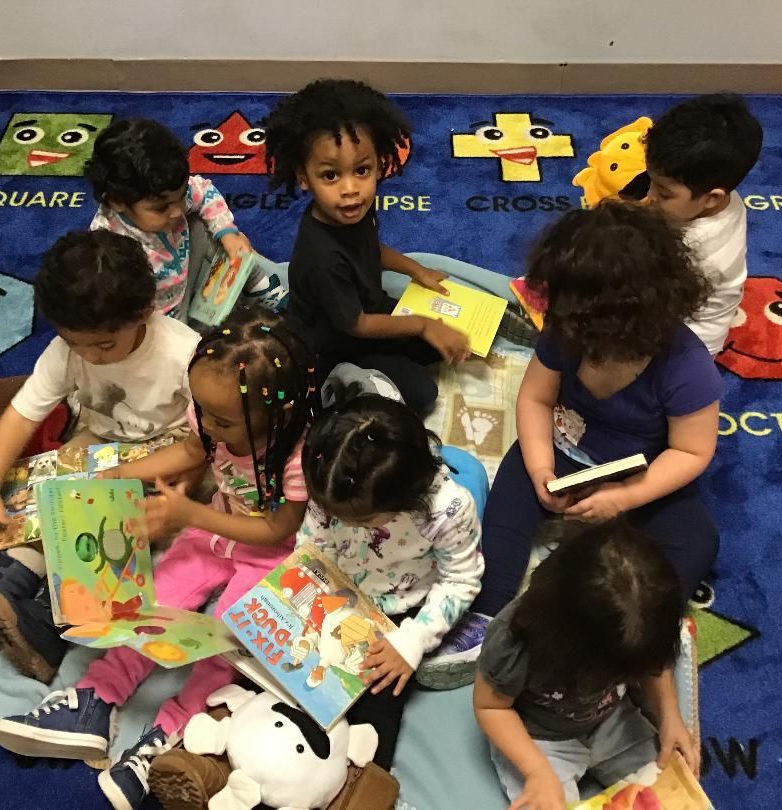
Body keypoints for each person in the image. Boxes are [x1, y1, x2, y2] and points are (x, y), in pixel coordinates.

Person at [0, 309, 319, 810]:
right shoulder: (212, 416)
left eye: (223, 421)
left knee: (231, 641)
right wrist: (123, 473)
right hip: (215, 528)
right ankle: (94, 700)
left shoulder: (297, 457)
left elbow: (278, 529)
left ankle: (171, 736)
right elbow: (192, 450)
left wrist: (191, 515)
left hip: (273, 555)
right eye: (203, 411)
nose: (209, 425)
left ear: (279, 414)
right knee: (149, 605)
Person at [432, 202, 723, 683]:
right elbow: (535, 399)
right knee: (507, 508)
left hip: (641, 474)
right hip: (563, 453)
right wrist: (540, 469)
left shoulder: (686, 367)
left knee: (697, 540)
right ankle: (486, 614)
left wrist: (624, 497)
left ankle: (632, 634)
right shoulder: (566, 331)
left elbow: (692, 452)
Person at [0, 229, 200, 683]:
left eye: (104, 345)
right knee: (47, 495)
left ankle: (49, 624)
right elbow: (22, 414)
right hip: (103, 440)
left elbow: (205, 444)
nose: (90, 357)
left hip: (172, 451)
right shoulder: (68, 350)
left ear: (145, 312)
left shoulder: (183, 353)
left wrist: (136, 477)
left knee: (106, 521)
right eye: (75, 342)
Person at [294, 394, 484, 769]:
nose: (344, 524)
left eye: (362, 521)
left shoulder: (446, 510)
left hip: (403, 607)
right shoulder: (329, 479)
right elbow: (312, 545)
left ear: (407, 498)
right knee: (282, 679)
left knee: (376, 707)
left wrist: (413, 640)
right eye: (332, 513)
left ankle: (362, 784)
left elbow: (461, 579)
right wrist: (306, 591)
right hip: (336, 592)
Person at [264, 78, 470, 414]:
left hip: (370, 309)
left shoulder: (353, 210)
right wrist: (421, 324)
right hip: (336, 346)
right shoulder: (321, 257)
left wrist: (417, 271)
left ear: (379, 164)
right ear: (303, 177)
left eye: (362, 170)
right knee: (422, 393)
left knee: (445, 338)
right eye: (330, 175)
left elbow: (370, 248)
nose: (350, 189)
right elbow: (357, 325)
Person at [474, 520, 698, 809]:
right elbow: (490, 707)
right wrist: (537, 772)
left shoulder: (646, 627)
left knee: (671, 788)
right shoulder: (514, 640)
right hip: (540, 741)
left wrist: (669, 716)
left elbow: (656, 663)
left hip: (612, 722)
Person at [87, 118, 252, 318]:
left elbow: (204, 191)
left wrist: (227, 232)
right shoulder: (108, 248)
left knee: (230, 242)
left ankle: (263, 286)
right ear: (117, 202)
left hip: (185, 278)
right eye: (162, 208)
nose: (177, 212)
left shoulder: (166, 195)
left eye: (181, 197)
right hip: (160, 316)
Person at [644, 93, 764, 355]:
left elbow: (638, 295)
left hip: (686, 345)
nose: (650, 196)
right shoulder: (723, 199)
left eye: (663, 193)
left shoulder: (690, 252)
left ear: (712, 198)